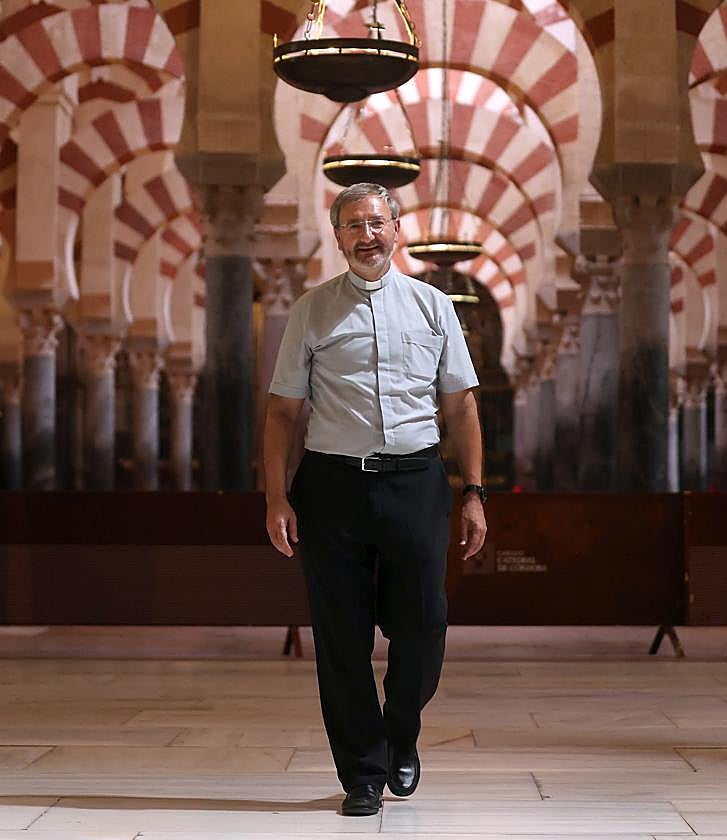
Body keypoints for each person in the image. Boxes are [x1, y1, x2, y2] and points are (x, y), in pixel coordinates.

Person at [263, 182, 487, 817]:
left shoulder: (433, 307)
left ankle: (402, 732)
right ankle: (362, 772)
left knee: (424, 622)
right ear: (338, 237)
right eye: (353, 225)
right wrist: (276, 497)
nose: (367, 235)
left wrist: (473, 492)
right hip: (332, 486)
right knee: (342, 636)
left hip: (415, 481)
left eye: (376, 223)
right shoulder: (311, 310)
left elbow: (462, 407)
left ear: (398, 230)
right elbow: (282, 414)